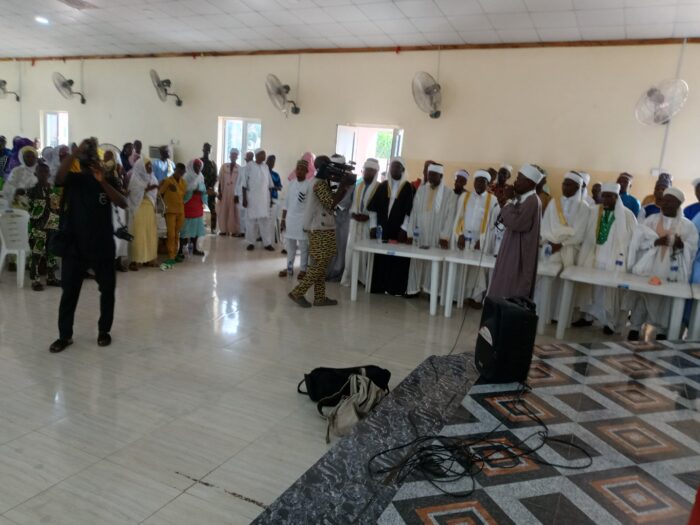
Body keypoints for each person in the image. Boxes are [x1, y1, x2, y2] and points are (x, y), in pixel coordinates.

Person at [50, 137, 128, 353]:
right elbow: (58, 178)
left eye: (92, 155)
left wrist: (102, 181)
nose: (89, 159)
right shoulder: (73, 179)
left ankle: (104, 331)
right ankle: (64, 336)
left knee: (107, 290)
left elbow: (122, 202)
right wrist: (75, 153)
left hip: (102, 245)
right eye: (86, 156)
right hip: (74, 246)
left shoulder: (106, 179)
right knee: (69, 292)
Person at [626, 187, 698, 341]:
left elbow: (692, 247)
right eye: (665, 200)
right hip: (649, 267)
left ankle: (661, 330)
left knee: (666, 300)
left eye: (671, 201)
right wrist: (655, 242)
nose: (666, 204)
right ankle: (634, 327)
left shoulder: (687, 226)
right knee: (642, 296)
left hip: (671, 270)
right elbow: (638, 243)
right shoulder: (650, 220)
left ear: (678, 204)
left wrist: (681, 245)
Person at [288, 156, 354, 307]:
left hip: (321, 227)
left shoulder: (319, 182)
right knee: (322, 262)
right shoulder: (319, 184)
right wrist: (343, 186)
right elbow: (331, 204)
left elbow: (330, 201)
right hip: (319, 228)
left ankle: (319, 297)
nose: (334, 174)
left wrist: (342, 187)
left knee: (320, 262)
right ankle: (298, 292)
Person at [573, 182, 637, 334]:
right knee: (592, 290)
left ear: (617, 197)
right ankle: (588, 317)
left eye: (609, 196)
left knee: (610, 292)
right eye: (604, 196)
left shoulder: (627, 215)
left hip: (614, 260)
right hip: (594, 256)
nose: (606, 199)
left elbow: (632, 239)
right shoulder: (594, 211)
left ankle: (610, 322)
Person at [536, 171, 590, 320]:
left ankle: (559, 316)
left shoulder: (584, 207)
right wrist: (550, 240)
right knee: (546, 282)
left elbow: (579, 233)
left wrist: (561, 243)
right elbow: (546, 224)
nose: (565, 187)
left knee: (563, 285)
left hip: (569, 250)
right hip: (550, 248)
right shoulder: (554, 202)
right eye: (564, 184)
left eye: (569, 185)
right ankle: (543, 313)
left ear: (578, 187)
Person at [487, 164, 542, 299]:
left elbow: (516, 223)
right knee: (502, 284)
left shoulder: (532, 201)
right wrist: (504, 201)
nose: (515, 182)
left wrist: (508, 201)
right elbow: (506, 221)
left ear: (530, 182)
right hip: (510, 248)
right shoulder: (522, 198)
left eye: (519, 179)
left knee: (512, 289)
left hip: (519, 254)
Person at [404, 163, 456, 296]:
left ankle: (432, 291)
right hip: (420, 232)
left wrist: (445, 236)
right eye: (429, 174)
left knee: (434, 261)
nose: (430, 177)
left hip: (437, 233)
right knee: (417, 259)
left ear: (441, 176)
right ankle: (413, 289)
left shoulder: (449, 193)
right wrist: (410, 233)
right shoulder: (421, 190)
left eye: (434, 175)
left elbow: (450, 217)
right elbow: (414, 211)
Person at [367, 157, 415, 295]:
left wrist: (404, 229)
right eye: (392, 166)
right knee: (380, 257)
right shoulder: (383, 186)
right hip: (382, 229)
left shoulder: (408, 187)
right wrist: (373, 226)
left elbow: (409, 212)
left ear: (402, 170)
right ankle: (378, 287)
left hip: (398, 230)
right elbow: (373, 209)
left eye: (397, 167)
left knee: (397, 258)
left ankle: (395, 289)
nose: (394, 169)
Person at [454, 169, 499, 307]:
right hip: (464, 239)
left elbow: (493, 225)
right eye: (477, 181)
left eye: (482, 182)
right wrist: (459, 234)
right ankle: (459, 296)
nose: (479, 184)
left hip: (481, 241)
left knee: (478, 271)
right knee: (462, 268)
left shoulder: (493, 200)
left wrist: (483, 240)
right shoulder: (465, 197)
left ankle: (476, 298)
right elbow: (459, 217)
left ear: (488, 184)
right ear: (473, 182)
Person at [340, 158, 380, 287]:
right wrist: (354, 214)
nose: (367, 173)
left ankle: (363, 279)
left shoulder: (379, 187)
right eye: (366, 170)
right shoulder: (358, 185)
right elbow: (352, 203)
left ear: (375, 172)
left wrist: (368, 218)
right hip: (355, 223)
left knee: (365, 253)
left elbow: (378, 208)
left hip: (369, 225)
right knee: (351, 251)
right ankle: (351, 276)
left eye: (371, 171)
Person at [26, 162, 61, 291]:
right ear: (35, 173)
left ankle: (51, 277)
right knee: (36, 253)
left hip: (52, 224)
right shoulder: (31, 189)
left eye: (46, 172)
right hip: (38, 225)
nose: (43, 174)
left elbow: (56, 207)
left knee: (51, 252)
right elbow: (27, 207)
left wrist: (57, 221)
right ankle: (35, 280)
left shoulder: (52, 189)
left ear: (49, 174)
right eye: (40, 171)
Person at [279, 159, 311, 279]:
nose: (299, 171)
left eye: (302, 169)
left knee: (303, 247)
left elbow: (310, 206)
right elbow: (286, 203)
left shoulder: (309, 185)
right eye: (298, 169)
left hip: (302, 220)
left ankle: (303, 270)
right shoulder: (291, 183)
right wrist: (283, 220)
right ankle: (289, 268)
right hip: (290, 220)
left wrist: (308, 222)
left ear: (307, 171)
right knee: (290, 246)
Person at [127, 158, 159, 270]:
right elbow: (134, 193)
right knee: (139, 234)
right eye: (147, 166)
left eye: (151, 165)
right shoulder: (135, 178)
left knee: (150, 233)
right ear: (141, 167)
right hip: (139, 208)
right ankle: (136, 260)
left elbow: (155, 192)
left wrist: (150, 189)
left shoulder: (153, 177)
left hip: (149, 207)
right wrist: (148, 188)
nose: (150, 168)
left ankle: (150, 259)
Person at [326, 155, 354, 282]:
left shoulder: (349, 181)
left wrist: (336, 205)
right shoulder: (327, 178)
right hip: (327, 218)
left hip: (343, 217)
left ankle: (338, 272)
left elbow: (347, 200)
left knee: (341, 246)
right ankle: (327, 271)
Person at [242, 148, 274, 251]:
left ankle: (267, 243)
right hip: (252, 199)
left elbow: (270, 185)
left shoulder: (265, 167)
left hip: (264, 199)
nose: (264, 156)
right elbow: (244, 184)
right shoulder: (250, 166)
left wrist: (271, 200)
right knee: (251, 222)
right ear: (257, 155)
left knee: (265, 222)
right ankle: (251, 242)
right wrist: (244, 199)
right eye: (262, 154)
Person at [103, 150, 129, 272]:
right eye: (106, 157)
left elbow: (123, 187)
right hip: (110, 207)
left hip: (120, 207)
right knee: (112, 235)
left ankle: (119, 261)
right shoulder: (103, 173)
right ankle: (111, 262)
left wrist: (123, 175)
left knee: (121, 233)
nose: (108, 159)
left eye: (110, 157)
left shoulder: (117, 172)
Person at [159, 162, 187, 269]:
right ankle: (171, 255)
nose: (180, 174)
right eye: (178, 171)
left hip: (180, 211)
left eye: (182, 172)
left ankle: (175, 254)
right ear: (175, 170)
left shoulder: (183, 182)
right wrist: (161, 184)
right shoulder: (167, 181)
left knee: (176, 234)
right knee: (171, 234)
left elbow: (182, 194)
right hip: (170, 211)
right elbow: (160, 193)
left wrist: (175, 189)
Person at [180, 159, 208, 256]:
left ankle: (195, 248)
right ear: (192, 166)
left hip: (197, 204)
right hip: (188, 203)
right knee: (185, 227)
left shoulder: (201, 176)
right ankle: (181, 249)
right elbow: (183, 189)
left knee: (196, 227)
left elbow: (203, 188)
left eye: (200, 166)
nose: (198, 168)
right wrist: (194, 190)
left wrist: (202, 191)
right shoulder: (186, 176)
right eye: (196, 166)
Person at [217, 148, 242, 236]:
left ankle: (234, 230)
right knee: (223, 211)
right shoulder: (224, 166)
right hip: (224, 192)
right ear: (229, 155)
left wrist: (238, 195)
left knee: (234, 212)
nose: (233, 156)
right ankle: (223, 230)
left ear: (237, 157)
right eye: (232, 154)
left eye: (235, 155)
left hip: (234, 193)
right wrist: (219, 192)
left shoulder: (239, 168)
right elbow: (220, 180)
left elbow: (240, 183)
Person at [200, 142, 218, 234]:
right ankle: (199, 227)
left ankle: (213, 228)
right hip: (200, 190)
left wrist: (211, 188)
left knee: (213, 210)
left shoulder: (213, 164)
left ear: (211, 151)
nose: (207, 151)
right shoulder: (199, 162)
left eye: (209, 150)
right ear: (203, 150)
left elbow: (215, 177)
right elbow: (197, 176)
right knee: (198, 209)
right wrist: (203, 188)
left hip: (210, 190)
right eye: (206, 149)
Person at [267, 154, 283, 243]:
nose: (271, 164)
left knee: (273, 219)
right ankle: (262, 236)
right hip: (263, 199)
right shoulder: (263, 173)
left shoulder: (276, 175)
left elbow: (280, 187)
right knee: (263, 219)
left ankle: (274, 238)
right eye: (270, 161)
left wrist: (272, 187)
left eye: (273, 162)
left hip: (274, 198)